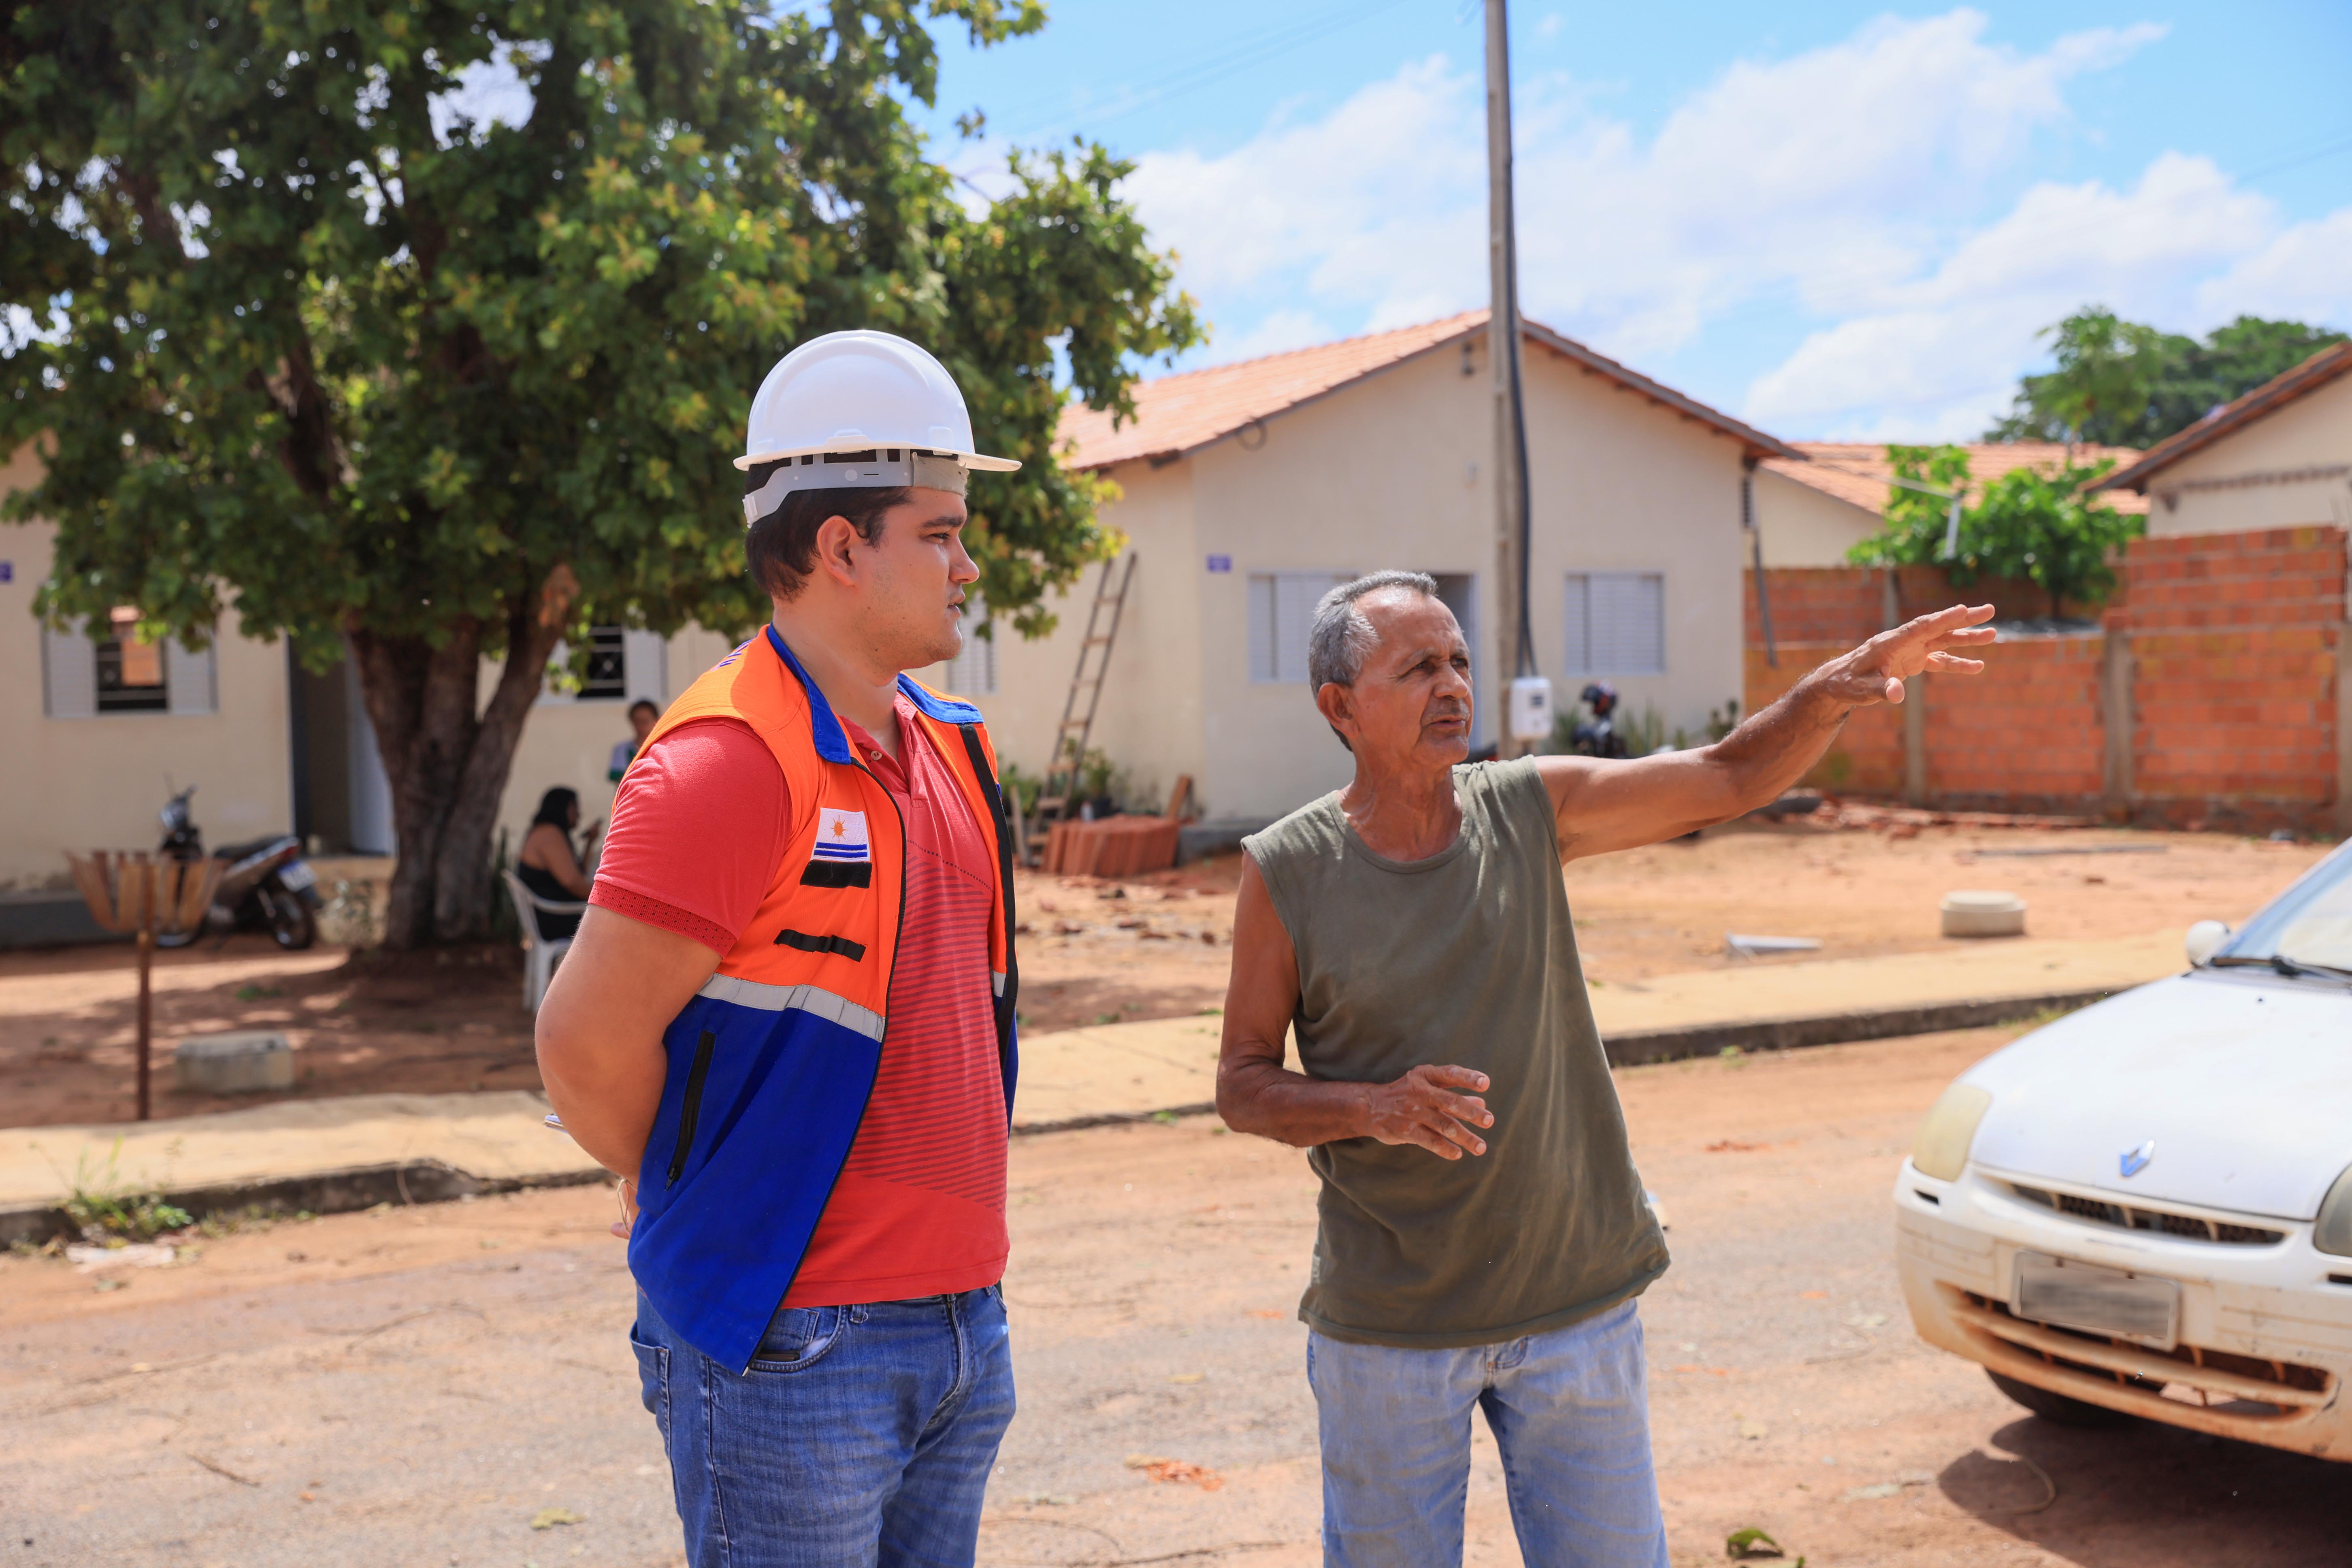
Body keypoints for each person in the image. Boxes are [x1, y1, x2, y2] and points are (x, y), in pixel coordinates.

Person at [1216, 571, 1995, 1568]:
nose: (1452, 684)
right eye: (1416, 667)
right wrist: (1373, 1107)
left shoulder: (1530, 809)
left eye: (1458, 659)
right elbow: (1242, 1082)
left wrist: (1832, 687)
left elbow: (1722, 777)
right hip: (1388, 1333)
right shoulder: (1287, 869)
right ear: (1338, 706)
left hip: (1575, 1310)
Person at [534, 329, 1025, 1568]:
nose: (967, 565)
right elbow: (584, 1048)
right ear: (839, 546)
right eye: (940, 533)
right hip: (795, 1339)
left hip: (961, 1320)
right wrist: (685, 1184)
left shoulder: (955, 746)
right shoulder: (727, 764)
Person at [517, 787, 592, 940]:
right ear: (562, 807)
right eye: (575, 807)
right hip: (554, 917)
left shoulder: (548, 832)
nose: (579, 814)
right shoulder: (549, 834)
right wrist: (609, 898)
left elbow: (578, 875)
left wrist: (590, 842)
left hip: (555, 912)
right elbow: (573, 883)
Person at [610, 698, 660, 782]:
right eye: (637, 721)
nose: (641, 726)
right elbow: (619, 779)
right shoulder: (621, 749)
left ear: (656, 720)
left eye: (645, 721)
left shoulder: (662, 749)